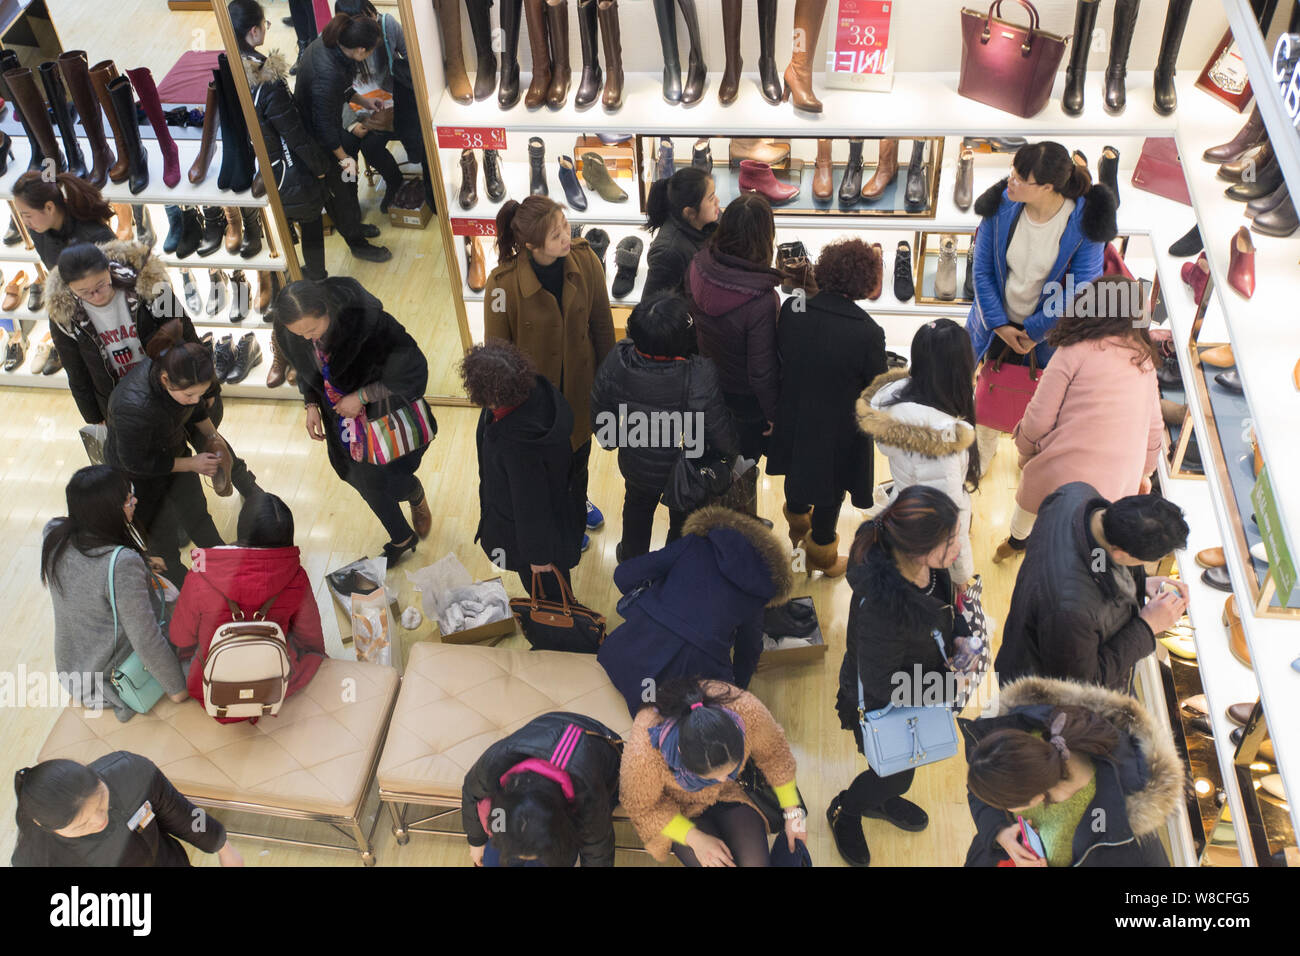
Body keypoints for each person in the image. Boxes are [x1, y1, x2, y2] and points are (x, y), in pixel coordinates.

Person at [828, 486, 965, 867]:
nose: (958, 548)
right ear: (917, 550)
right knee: (895, 774)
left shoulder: (931, 569)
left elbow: (944, 607)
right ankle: (847, 809)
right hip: (881, 703)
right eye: (950, 541)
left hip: (920, 682)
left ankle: (880, 798)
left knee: (893, 770)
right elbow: (881, 685)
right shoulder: (883, 612)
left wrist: (962, 631)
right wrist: (950, 686)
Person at [967, 141, 1118, 472]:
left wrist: (1035, 331)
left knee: (1039, 402)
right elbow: (982, 269)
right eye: (1013, 172)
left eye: (1021, 178)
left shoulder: (1084, 222)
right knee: (989, 389)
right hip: (996, 325)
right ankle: (983, 450)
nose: (1011, 181)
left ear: (1048, 187)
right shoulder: (1002, 204)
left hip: (1046, 333)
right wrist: (999, 323)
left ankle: (1030, 459)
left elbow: (1083, 284)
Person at [994, 276, 1164, 564]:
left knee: (1033, 495)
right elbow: (1154, 428)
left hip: (1061, 472)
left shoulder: (1074, 350)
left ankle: (1015, 541)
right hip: (1115, 482)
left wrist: (1024, 447)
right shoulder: (1144, 361)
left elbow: (1039, 417)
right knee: (1090, 538)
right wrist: (1143, 471)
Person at [483, 196, 616, 549]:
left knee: (579, 459)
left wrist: (608, 384)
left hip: (579, 389)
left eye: (564, 226)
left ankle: (578, 501)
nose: (565, 236)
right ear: (530, 244)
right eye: (556, 234)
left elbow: (602, 324)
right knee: (545, 472)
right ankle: (563, 518)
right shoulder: (501, 284)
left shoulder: (586, 261)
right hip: (533, 404)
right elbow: (497, 354)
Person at [273, 277, 432, 563]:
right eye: (299, 334)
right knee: (362, 480)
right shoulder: (293, 333)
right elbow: (306, 369)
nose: (308, 338)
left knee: (391, 480)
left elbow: (414, 371)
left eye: (312, 329)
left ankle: (414, 492)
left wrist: (361, 396)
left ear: (327, 310)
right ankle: (402, 536)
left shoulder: (371, 326)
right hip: (343, 426)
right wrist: (310, 403)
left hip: (385, 419)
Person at [962, 676, 1184, 867]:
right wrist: (999, 833)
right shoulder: (1025, 734)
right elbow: (981, 790)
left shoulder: (1121, 834)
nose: (1000, 808)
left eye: (1004, 805)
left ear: (1036, 797)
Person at [598, 506, 793, 716]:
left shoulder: (693, 544)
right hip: (695, 676)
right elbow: (749, 650)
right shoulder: (759, 587)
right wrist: (736, 689)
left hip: (632, 651)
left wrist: (656, 600)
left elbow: (624, 575)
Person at [767, 237, 887, 578]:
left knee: (797, 472)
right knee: (831, 491)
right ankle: (822, 555)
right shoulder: (867, 332)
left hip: (795, 414)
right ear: (866, 283)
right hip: (838, 428)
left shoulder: (795, 308)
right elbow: (874, 387)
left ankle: (796, 528)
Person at [997, 482, 1190, 692]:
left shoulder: (1076, 495)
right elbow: (1083, 681)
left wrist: (1137, 583)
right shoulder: (1071, 611)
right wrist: (1148, 626)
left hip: (1033, 634)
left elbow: (1093, 559)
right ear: (1119, 553)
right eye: (1145, 560)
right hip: (1036, 693)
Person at [589, 294, 738, 561]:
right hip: (685, 467)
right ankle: (673, 565)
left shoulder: (620, 358)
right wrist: (729, 453)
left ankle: (632, 561)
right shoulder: (699, 373)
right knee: (682, 518)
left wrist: (610, 438)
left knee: (636, 508)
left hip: (637, 459)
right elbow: (717, 427)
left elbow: (600, 401)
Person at [41, 465, 188, 723]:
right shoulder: (121, 563)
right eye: (129, 498)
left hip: (74, 668)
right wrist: (177, 689)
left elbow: (89, 577)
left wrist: (142, 564)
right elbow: (145, 637)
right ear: (108, 512)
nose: (135, 501)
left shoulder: (54, 535)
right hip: (111, 680)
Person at [168, 492, 326, 722]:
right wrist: (315, 654)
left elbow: (181, 638)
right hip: (273, 683)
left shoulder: (200, 574)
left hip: (211, 688)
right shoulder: (296, 576)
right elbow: (309, 635)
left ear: (242, 530)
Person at [619, 678, 804, 867]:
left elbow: (775, 754)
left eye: (729, 770)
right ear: (681, 754)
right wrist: (695, 839)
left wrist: (793, 813)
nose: (722, 778)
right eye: (711, 776)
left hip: (734, 792)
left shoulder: (745, 709)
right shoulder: (644, 749)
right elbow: (641, 807)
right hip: (679, 809)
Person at [856, 318, 979, 586]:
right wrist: (962, 577)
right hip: (928, 543)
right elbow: (951, 518)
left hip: (904, 512)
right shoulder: (941, 445)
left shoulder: (897, 400)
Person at [461, 341, 584, 603]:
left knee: (550, 596)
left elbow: (530, 504)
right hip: (556, 514)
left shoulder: (517, 445)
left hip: (534, 539)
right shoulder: (535, 389)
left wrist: (538, 556)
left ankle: (562, 641)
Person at [104, 336, 227, 585]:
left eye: (200, 393)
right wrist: (191, 464)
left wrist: (213, 437)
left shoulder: (182, 379)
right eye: (190, 394)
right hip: (138, 475)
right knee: (162, 537)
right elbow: (135, 462)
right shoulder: (133, 406)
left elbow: (197, 407)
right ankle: (184, 588)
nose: (195, 399)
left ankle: (223, 565)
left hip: (172, 450)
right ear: (164, 381)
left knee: (197, 513)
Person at [685, 193, 783, 498]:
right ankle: (739, 529)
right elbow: (762, 370)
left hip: (706, 384)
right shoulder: (761, 301)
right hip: (745, 402)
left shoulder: (699, 265)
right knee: (743, 471)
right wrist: (774, 413)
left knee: (712, 461)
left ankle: (712, 519)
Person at [231, 0, 331, 280]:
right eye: (265, 24)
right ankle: (316, 276)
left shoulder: (232, 66)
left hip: (262, 162)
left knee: (286, 216)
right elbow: (293, 132)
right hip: (287, 164)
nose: (266, 29)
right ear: (253, 31)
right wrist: (318, 164)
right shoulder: (268, 80)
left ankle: (290, 272)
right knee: (310, 215)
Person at [12, 753, 243, 866]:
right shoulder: (36, 857)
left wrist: (222, 845)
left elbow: (184, 813)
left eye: (102, 801)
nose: (100, 820)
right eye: (82, 824)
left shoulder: (131, 772)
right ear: (44, 826)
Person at [461, 712, 623, 867]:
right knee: (494, 860)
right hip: (548, 732)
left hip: (599, 751)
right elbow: (471, 791)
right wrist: (476, 841)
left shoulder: (588, 797)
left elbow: (598, 850)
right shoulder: (496, 763)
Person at [293, 12, 392, 262]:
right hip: (317, 140)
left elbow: (344, 88)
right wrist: (343, 157)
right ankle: (357, 243)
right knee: (342, 192)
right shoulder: (327, 74)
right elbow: (325, 128)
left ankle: (355, 227)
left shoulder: (332, 45)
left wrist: (365, 101)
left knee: (348, 184)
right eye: (369, 52)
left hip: (326, 127)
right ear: (360, 50)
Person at [332, 0, 408, 214]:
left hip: (389, 100)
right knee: (346, 144)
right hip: (354, 104)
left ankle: (394, 181)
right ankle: (349, 202)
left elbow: (410, 58)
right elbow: (336, 92)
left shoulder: (387, 25)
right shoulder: (334, 44)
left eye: (373, 17)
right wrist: (351, 123)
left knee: (370, 146)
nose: (373, 26)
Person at [641, 168, 720, 300]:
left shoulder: (709, 220)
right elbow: (652, 306)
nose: (717, 201)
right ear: (689, 212)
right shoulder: (668, 253)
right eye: (711, 198)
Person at [12, 171, 115, 269]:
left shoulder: (97, 236)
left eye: (28, 215)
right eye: (21, 215)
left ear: (49, 207)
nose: (25, 222)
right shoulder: (38, 231)